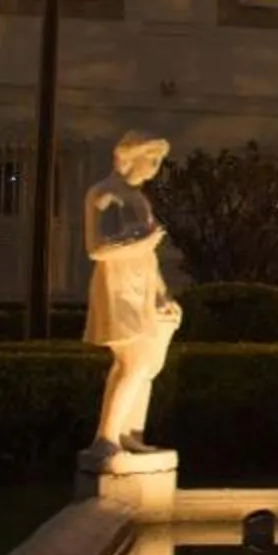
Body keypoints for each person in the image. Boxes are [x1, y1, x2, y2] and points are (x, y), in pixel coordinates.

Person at [83, 131, 184, 457]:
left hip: (141, 287)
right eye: (151, 160)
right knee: (134, 362)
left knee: (146, 366)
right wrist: (141, 242)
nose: (154, 169)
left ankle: (126, 434)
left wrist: (162, 294)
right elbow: (97, 248)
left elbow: (149, 255)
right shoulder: (104, 195)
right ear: (130, 156)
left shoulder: (138, 199)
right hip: (119, 287)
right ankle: (106, 437)